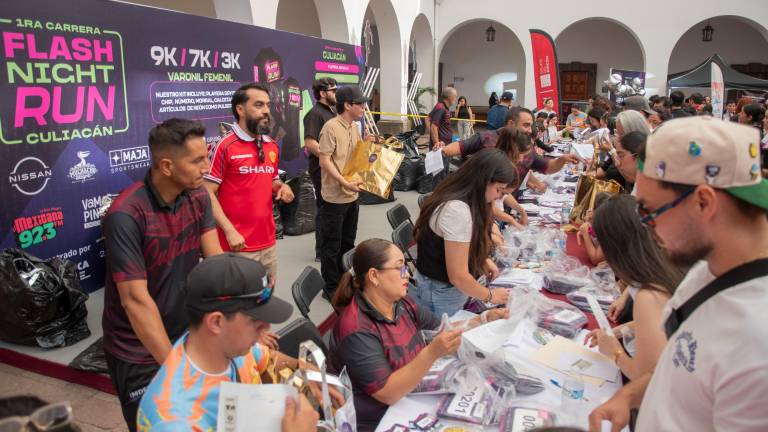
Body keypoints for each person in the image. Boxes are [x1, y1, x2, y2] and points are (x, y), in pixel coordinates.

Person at [589, 117, 768, 432]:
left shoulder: (756, 343)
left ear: (702, 202)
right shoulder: (711, 266)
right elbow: (684, 368)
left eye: (648, 211)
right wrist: (632, 394)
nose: (644, 226)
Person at [102, 119, 223, 431]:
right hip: (137, 351)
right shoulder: (126, 214)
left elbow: (215, 265)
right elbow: (135, 301)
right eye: (197, 160)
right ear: (167, 165)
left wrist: (244, 315)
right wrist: (174, 368)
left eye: (206, 156)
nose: (206, 167)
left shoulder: (198, 197)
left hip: (186, 334)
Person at [330, 239, 509, 431]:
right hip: (381, 419)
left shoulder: (401, 302)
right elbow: (387, 393)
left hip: (410, 395)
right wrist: (431, 353)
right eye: (399, 268)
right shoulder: (356, 329)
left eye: (405, 267)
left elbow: (441, 328)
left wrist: (483, 319)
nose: (406, 273)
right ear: (374, 276)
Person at [137, 254, 319, 432]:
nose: (266, 327)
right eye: (255, 320)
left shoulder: (230, 347)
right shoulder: (173, 421)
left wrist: (304, 371)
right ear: (216, 322)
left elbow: (268, 358)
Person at [584, 195, 683, 381]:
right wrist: (617, 332)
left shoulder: (649, 295)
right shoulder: (667, 264)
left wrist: (614, 351)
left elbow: (646, 378)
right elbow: (660, 322)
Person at [205, 83, 294, 287]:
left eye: (268, 105)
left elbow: (271, 179)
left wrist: (281, 187)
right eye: (259, 105)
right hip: (237, 246)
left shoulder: (270, 144)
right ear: (240, 109)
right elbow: (207, 193)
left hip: (268, 242)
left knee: (266, 303)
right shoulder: (224, 146)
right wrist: (229, 230)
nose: (266, 111)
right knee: (239, 310)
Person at [411, 148, 518, 317]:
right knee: (447, 337)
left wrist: (482, 259)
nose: (498, 197)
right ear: (484, 180)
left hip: (447, 289)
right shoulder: (457, 210)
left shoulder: (465, 198)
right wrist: (491, 296)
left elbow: (461, 245)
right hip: (442, 292)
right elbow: (458, 276)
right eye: (499, 189)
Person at [318, 85, 367, 298]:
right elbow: (324, 160)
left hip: (352, 193)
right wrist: (342, 182)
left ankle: (344, 280)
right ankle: (330, 287)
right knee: (331, 245)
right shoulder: (330, 127)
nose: (364, 107)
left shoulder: (354, 127)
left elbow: (356, 155)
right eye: (360, 104)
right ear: (347, 105)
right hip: (334, 197)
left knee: (348, 242)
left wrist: (367, 144)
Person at [303, 77, 338, 261]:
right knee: (324, 210)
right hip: (321, 170)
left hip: (331, 169)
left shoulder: (331, 113)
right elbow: (310, 142)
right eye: (333, 90)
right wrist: (330, 158)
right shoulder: (315, 114)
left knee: (333, 210)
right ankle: (321, 251)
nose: (336, 93)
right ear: (323, 93)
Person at [575, 192, 611, 265]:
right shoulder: (605, 222)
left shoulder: (610, 227)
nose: (591, 210)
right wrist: (589, 222)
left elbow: (595, 259)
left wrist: (585, 232)